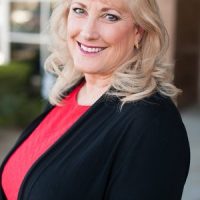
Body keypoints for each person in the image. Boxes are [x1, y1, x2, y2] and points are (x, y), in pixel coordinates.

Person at [0, 0, 190, 199]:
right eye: (79, 10)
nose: (88, 32)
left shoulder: (152, 122)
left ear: (139, 31)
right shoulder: (68, 93)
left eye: (110, 16)